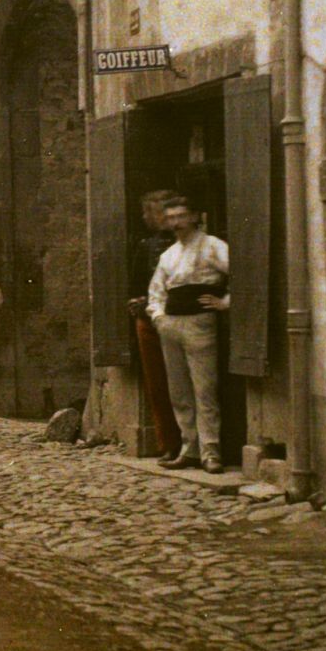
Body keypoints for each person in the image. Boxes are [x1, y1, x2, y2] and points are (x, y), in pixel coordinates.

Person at [145, 195, 231, 473]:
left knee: (204, 389)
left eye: (181, 216)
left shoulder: (213, 246)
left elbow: (242, 276)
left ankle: (211, 452)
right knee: (179, 391)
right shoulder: (168, 255)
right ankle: (189, 448)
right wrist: (159, 318)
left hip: (200, 323)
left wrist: (224, 303)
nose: (176, 223)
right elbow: (156, 292)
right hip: (172, 325)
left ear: (195, 216)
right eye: (170, 218)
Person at [125, 189, 183, 461]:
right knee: (158, 385)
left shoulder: (186, 245)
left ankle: (191, 443)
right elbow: (136, 283)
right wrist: (138, 302)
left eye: (150, 211)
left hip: (181, 319)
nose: (145, 217)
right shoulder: (146, 246)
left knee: (185, 383)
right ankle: (168, 442)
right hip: (151, 320)